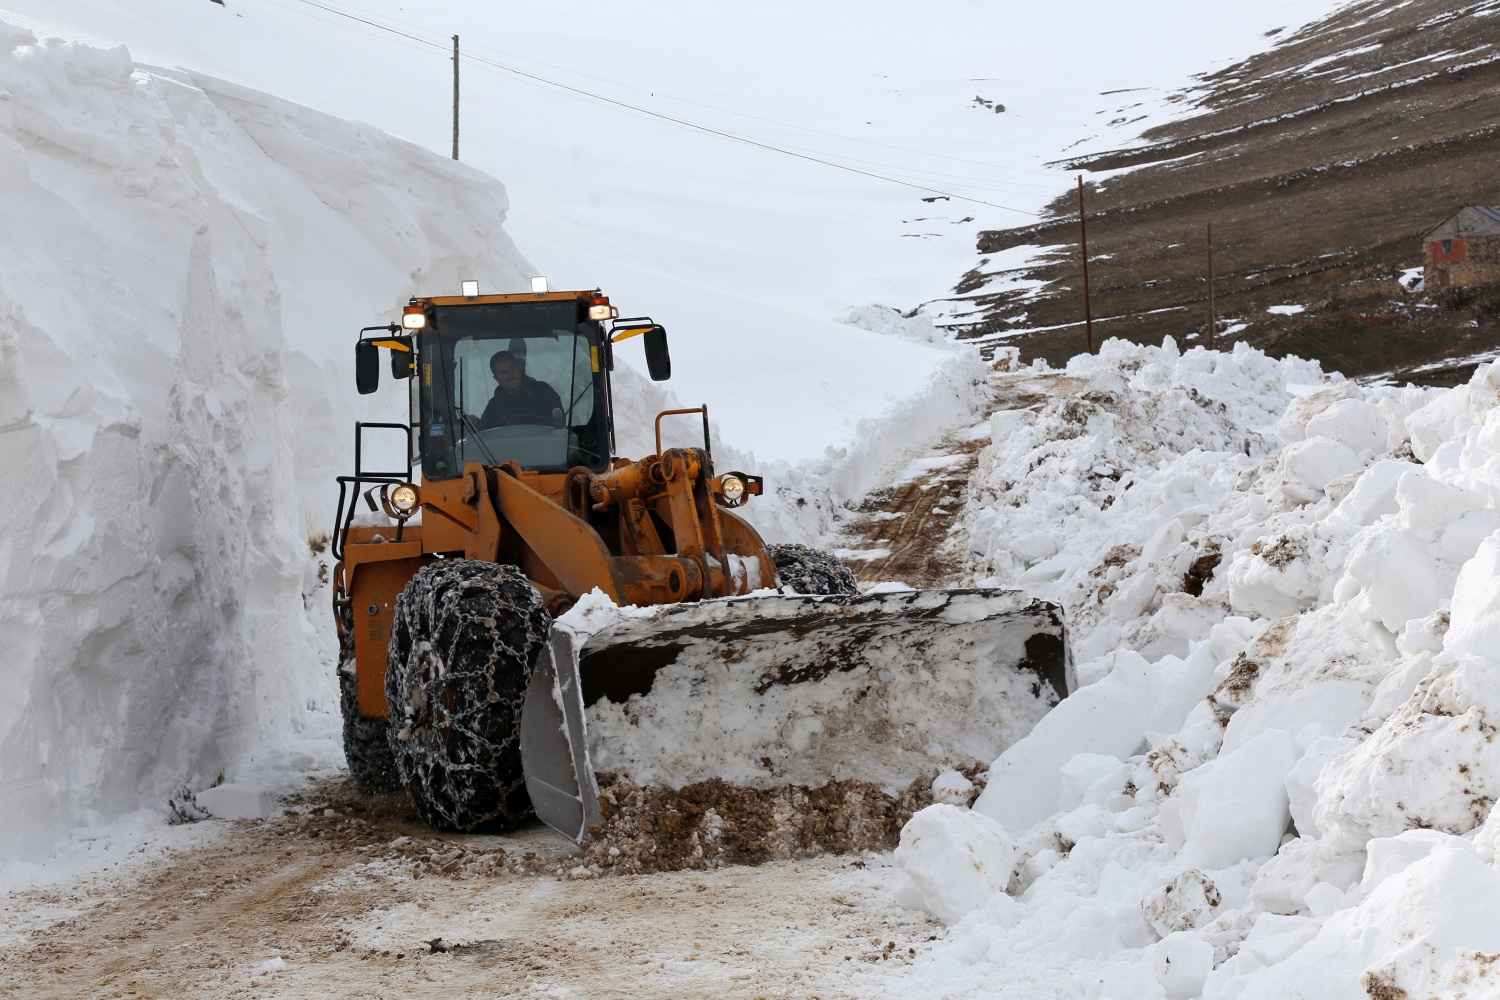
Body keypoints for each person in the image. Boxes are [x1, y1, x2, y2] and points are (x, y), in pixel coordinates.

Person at [477, 350, 564, 429]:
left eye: (512, 368)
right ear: (496, 378)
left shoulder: (543, 391)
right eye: (503, 372)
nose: (510, 374)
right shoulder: (494, 405)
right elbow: (482, 436)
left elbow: (560, 426)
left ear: (519, 368)